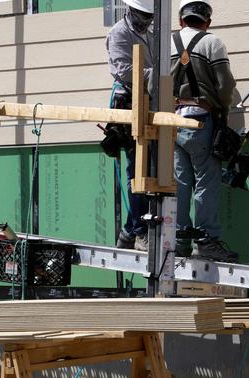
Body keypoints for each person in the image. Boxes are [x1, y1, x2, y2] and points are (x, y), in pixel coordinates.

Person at [170, 0, 238, 261]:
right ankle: (206, 239)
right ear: (207, 22)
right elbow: (225, 85)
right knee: (206, 182)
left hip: (173, 122)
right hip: (201, 119)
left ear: (180, 20)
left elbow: (153, 86)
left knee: (181, 183)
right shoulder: (213, 43)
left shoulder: (167, 44)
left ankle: (179, 240)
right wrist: (223, 111)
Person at [104, 0, 155, 251]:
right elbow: (124, 71)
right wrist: (157, 74)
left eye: (149, 17)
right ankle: (137, 231)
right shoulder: (118, 33)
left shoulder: (151, 35)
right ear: (130, 10)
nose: (145, 21)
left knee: (145, 170)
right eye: (142, 15)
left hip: (148, 103)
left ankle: (129, 230)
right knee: (137, 170)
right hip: (127, 103)